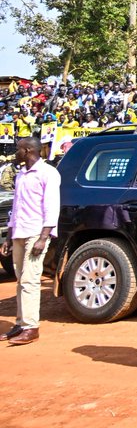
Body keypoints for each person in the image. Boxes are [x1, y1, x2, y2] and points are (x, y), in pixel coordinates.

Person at [2, 137, 60, 345]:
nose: (15, 153)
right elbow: (16, 207)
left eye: (18, 149)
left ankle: (31, 327)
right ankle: (20, 323)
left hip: (36, 233)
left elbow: (52, 207)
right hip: (19, 232)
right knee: (21, 280)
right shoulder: (21, 174)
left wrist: (43, 238)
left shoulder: (48, 173)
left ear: (27, 150)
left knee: (30, 280)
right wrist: (8, 237)